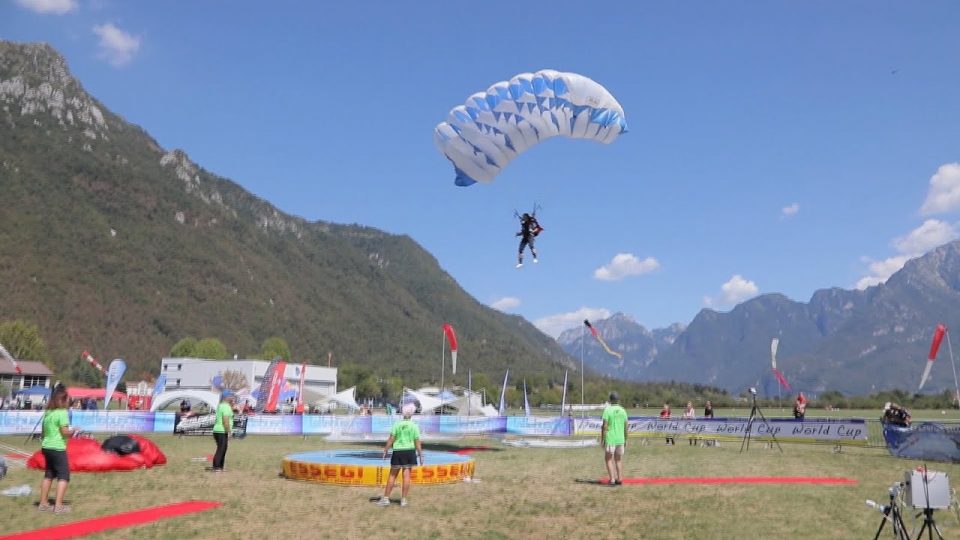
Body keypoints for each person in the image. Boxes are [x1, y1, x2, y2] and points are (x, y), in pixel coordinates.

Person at [37, 386, 77, 514]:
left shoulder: (48, 413)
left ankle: (43, 503)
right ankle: (58, 506)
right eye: (67, 400)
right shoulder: (62, 413)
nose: (68, 402)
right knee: (64, 475)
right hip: (57, 447)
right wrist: (73, 431)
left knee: (49, 474)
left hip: (46, 446)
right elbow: (65, 432)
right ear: (62, 401)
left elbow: (43, 432)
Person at [376, 403, 423, 508]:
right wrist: (420, 455)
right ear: (411, 414)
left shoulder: (397, 424)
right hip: (410, 451)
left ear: (402, 413)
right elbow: (417, 441)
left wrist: (385, 450)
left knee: (392, 475)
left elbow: (391, 439)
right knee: (406, 476)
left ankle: (386, 499)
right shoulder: (414, 426)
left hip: (398, 451)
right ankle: (403, 500)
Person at [600, 391, 628, 486]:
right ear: (618, 400)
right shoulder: (623, 410)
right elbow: (626, 426)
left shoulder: (607, 410)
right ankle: (619, 479)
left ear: (610, 400)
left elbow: (604, 426)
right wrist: (626, 439)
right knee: (618, 459)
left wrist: (603, 439)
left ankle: (612, 479)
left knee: (608, 459)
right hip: (620, 439)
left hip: (611, 438)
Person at [211, 391, 235, 472]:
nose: (232, 398)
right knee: (221, 449)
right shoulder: (226, 407)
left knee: (222, 448)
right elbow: (225, 420)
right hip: (222, 430)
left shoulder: (220, 405)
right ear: (226, 397)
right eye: (231, 396)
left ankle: (220, 467)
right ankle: (216, 467)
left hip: (217, 430)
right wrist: (229, 431)